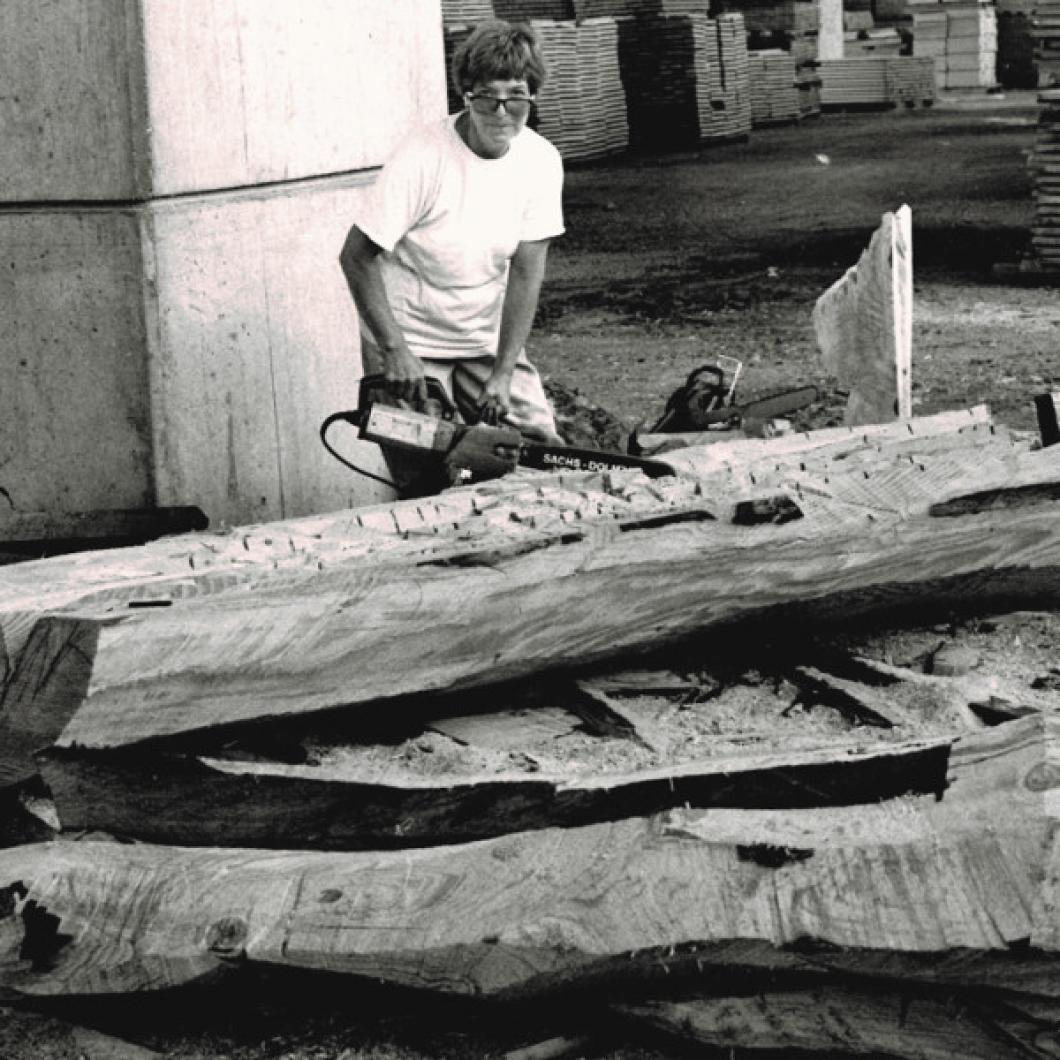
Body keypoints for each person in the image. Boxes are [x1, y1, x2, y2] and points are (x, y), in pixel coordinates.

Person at [339, 19, 565, 462]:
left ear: (531, 96)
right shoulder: (422, 157)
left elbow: (525, 273)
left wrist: (502, 372)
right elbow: (356, 257)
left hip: (481, 333)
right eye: (487, 98)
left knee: (538, 448)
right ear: (467, 96)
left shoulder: (540, 161)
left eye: (516, 97)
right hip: (412, 339)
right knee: (424, 465)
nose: (501, 113)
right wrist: (394, 350)